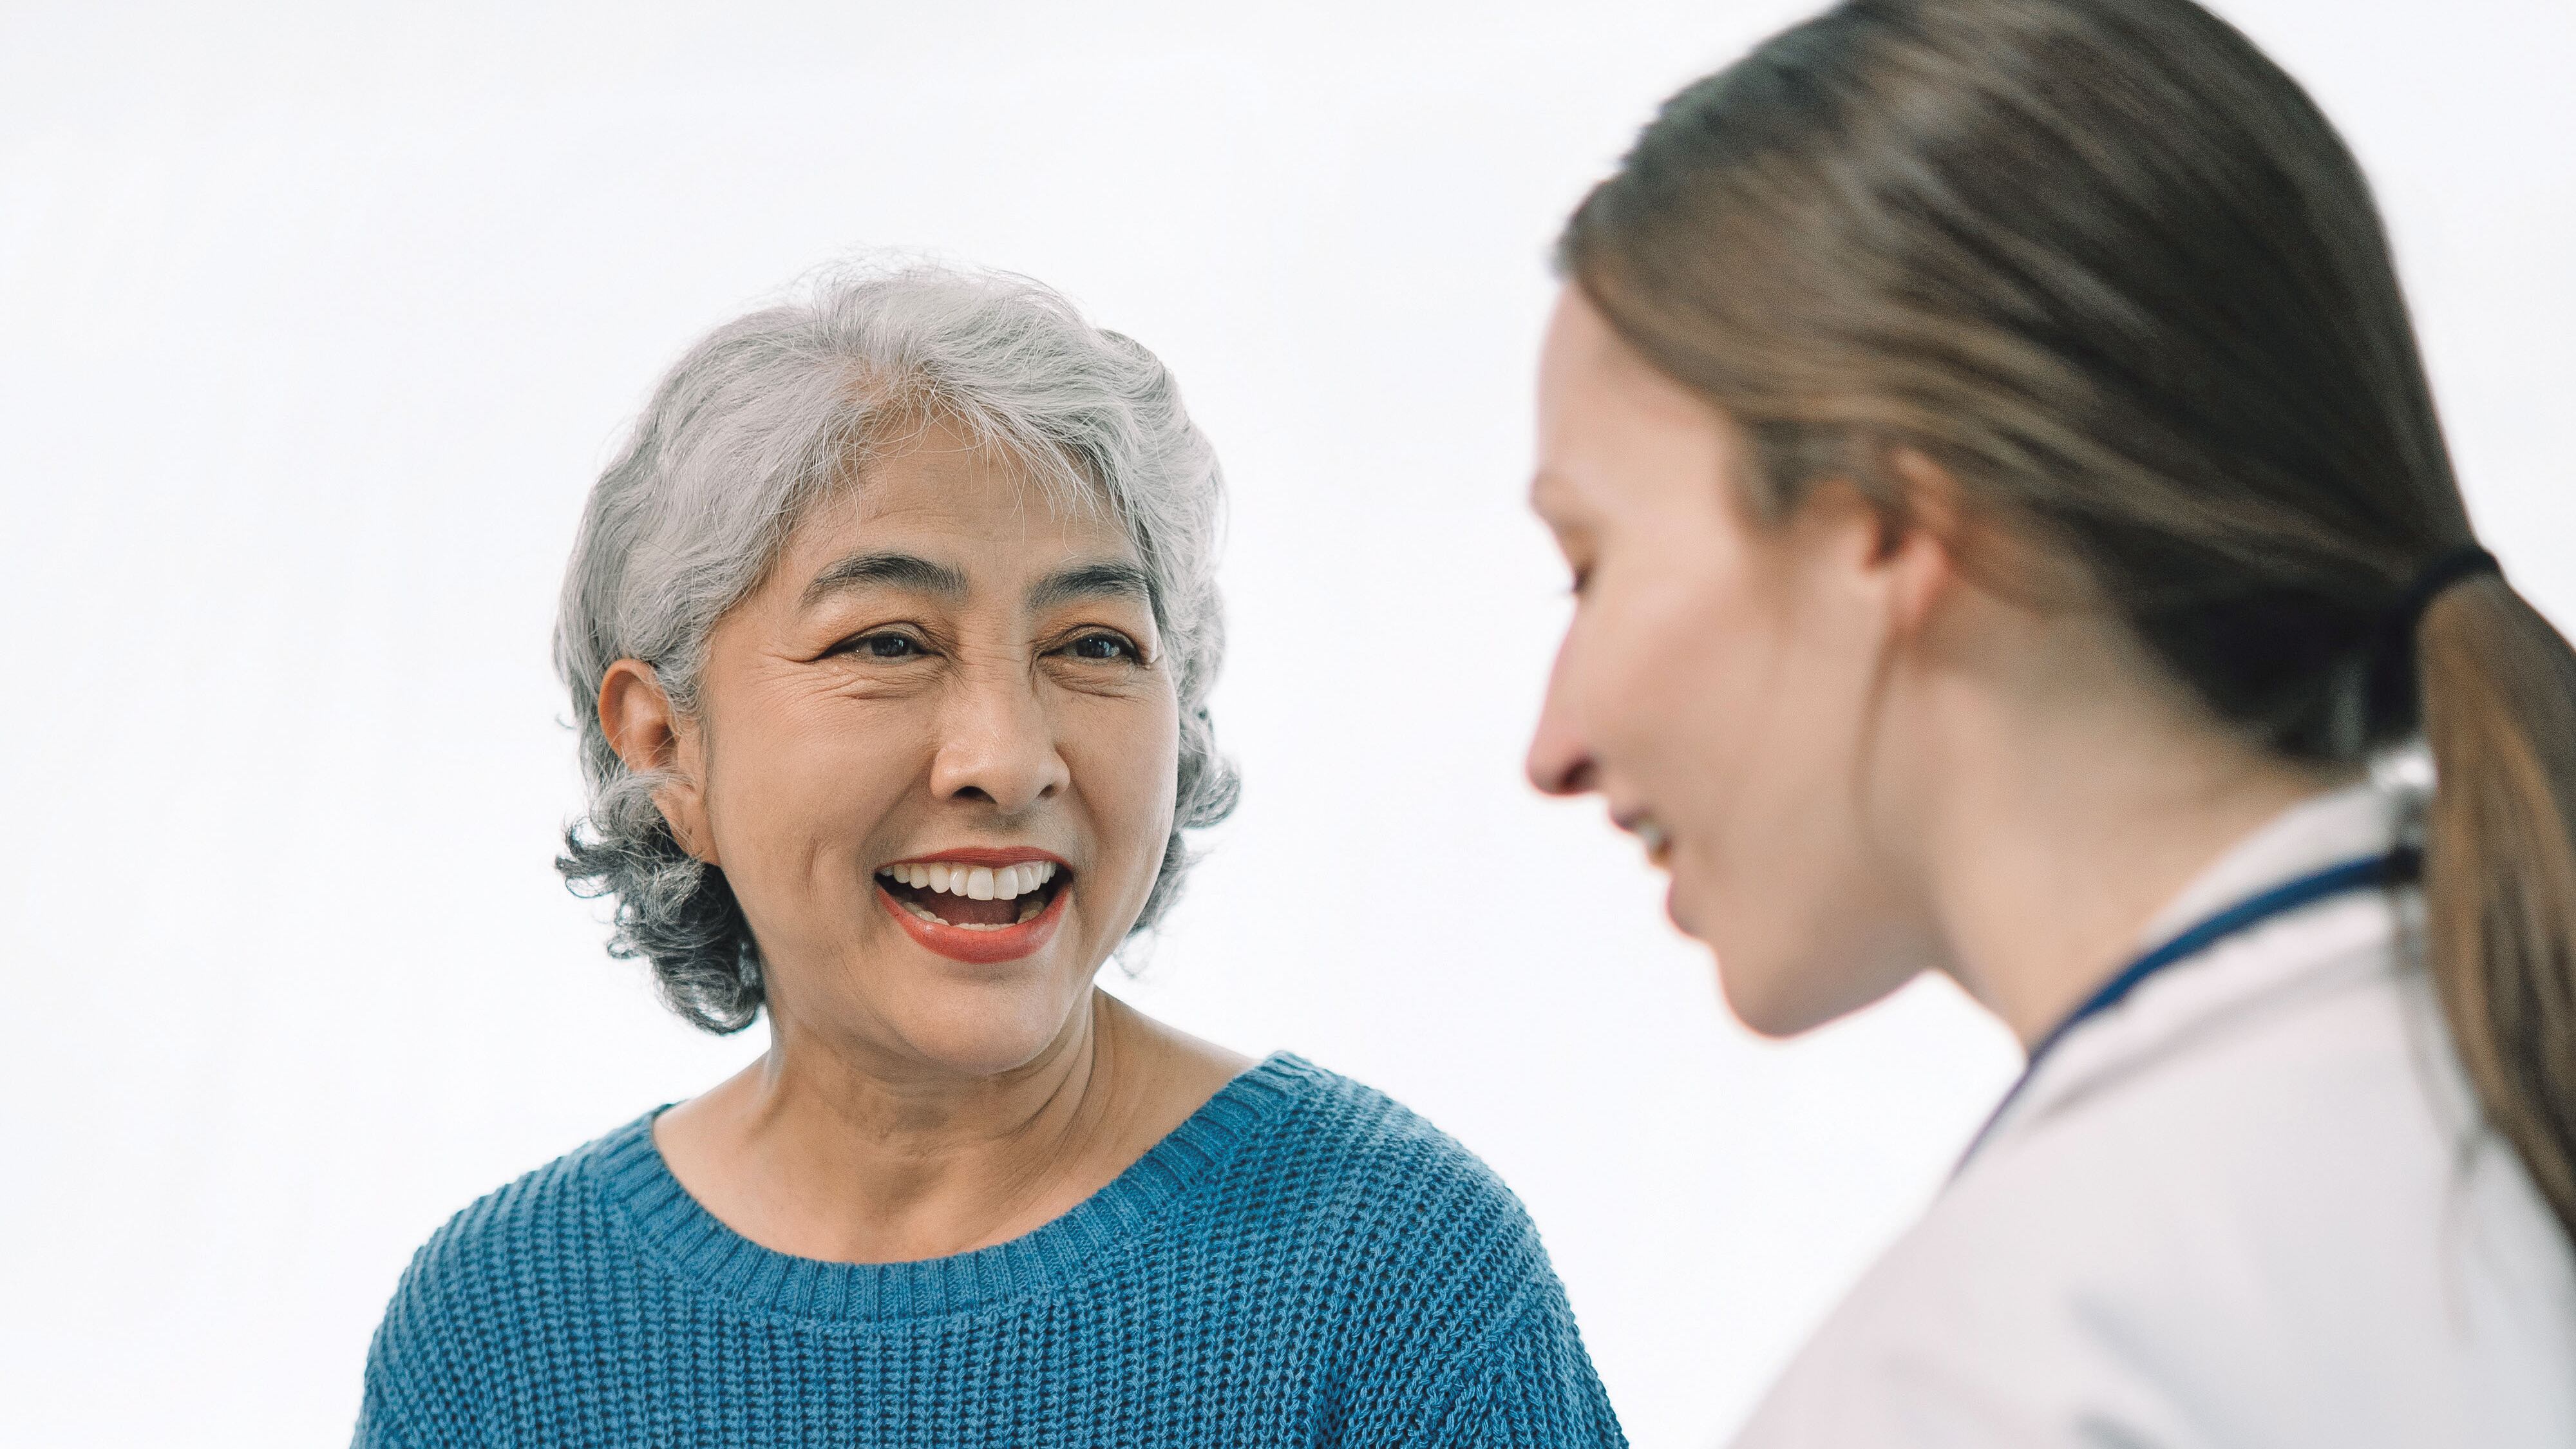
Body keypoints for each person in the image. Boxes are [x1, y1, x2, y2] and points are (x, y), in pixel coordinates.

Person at [1524, 0, 2576, 1443]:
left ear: (1881, 524)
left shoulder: (1989, 1373)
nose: (1551, 743)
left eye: (1589, 565)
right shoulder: (2481, 1092)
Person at [356, 262, 1625, 1448]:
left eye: (1092, 644)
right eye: (889, 643)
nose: (1007, 758)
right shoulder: (495, 1335)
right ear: (667, 746)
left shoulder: (1391, 1275)